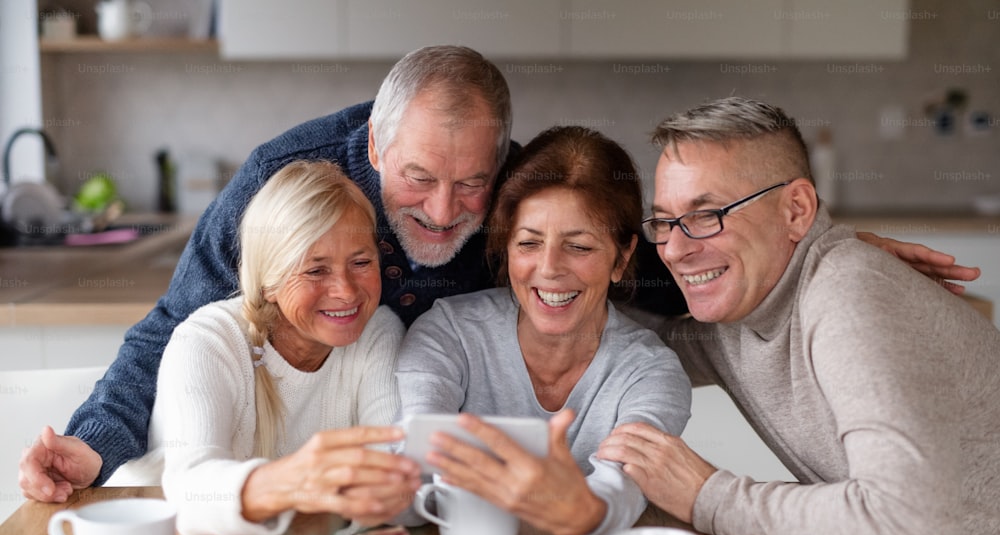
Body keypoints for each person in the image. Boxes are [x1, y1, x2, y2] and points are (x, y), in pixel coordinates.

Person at [18, 43, 977, 504]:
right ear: (372, 146)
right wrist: (95, 442)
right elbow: (180, 322)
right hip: (288, 489)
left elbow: (647, 273)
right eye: (418, 183)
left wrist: (805, 253)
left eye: (472, 186)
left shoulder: (524, 202)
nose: (444, 212)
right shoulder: (288, 181)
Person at [598, 97, 1000, 535]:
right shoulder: (739, 317)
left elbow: (912, 527)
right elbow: (620, 352)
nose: (675, 249)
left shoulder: (848, 295)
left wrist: (708, 495)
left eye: (707, 214)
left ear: (795, 211)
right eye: (665, 221)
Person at [111, 160, 421, 535]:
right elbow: (190, 493)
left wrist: (306, 524)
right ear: (268, 281)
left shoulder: (378, 331)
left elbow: (399, 484)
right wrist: (296, 483)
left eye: (361, 262)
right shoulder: (207, 341)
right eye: (316, 269)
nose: (346, 291)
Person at [395, 126, 691, 535]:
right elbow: (414, 461)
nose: (549, 268)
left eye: (580, 247)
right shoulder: (448, 334)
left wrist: (579, 510)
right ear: (506, 247)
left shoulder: (650, 372)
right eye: (529, 243)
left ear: (622, 257)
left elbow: (622, 492)